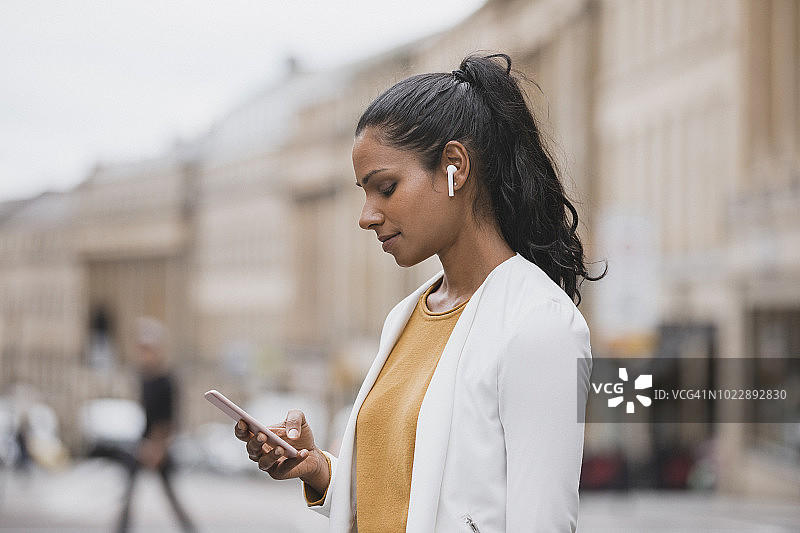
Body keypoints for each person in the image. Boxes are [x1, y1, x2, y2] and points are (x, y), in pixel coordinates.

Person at [235, 53, 601, 532]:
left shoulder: (539, 324)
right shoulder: (406, 316)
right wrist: (320, 469)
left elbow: (542, 523)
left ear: (454, 167)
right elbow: (410, 497)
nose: (366, 215)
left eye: (385, 187)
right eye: (364, 192)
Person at [116, 316, 195, 533]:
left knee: (171, 496)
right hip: (144, 443)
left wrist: (157, 447)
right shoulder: (144, 379)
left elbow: (169, 419)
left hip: (159, 445)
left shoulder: (165, 381)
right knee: (129, 495)